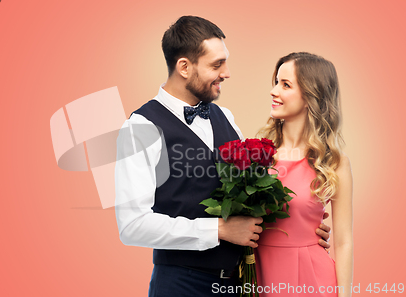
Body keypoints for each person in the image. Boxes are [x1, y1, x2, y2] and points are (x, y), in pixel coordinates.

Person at [115, 17, 331, 297]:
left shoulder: (224, 116)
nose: (227, 73)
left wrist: (301, 225)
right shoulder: (140, 128)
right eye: (216, 65)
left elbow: (250, 197)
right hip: (180, 285)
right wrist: (217, 230)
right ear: (184, 67)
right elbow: (132, 226)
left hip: (238, 283)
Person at [255, 52, 353, 297]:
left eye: (285, 85)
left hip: (312, 280)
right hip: (257, 274)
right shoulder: (255, 154)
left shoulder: (334, 162)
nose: (274, 91)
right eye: (276, 82)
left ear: (311, 96)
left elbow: (343, 242)